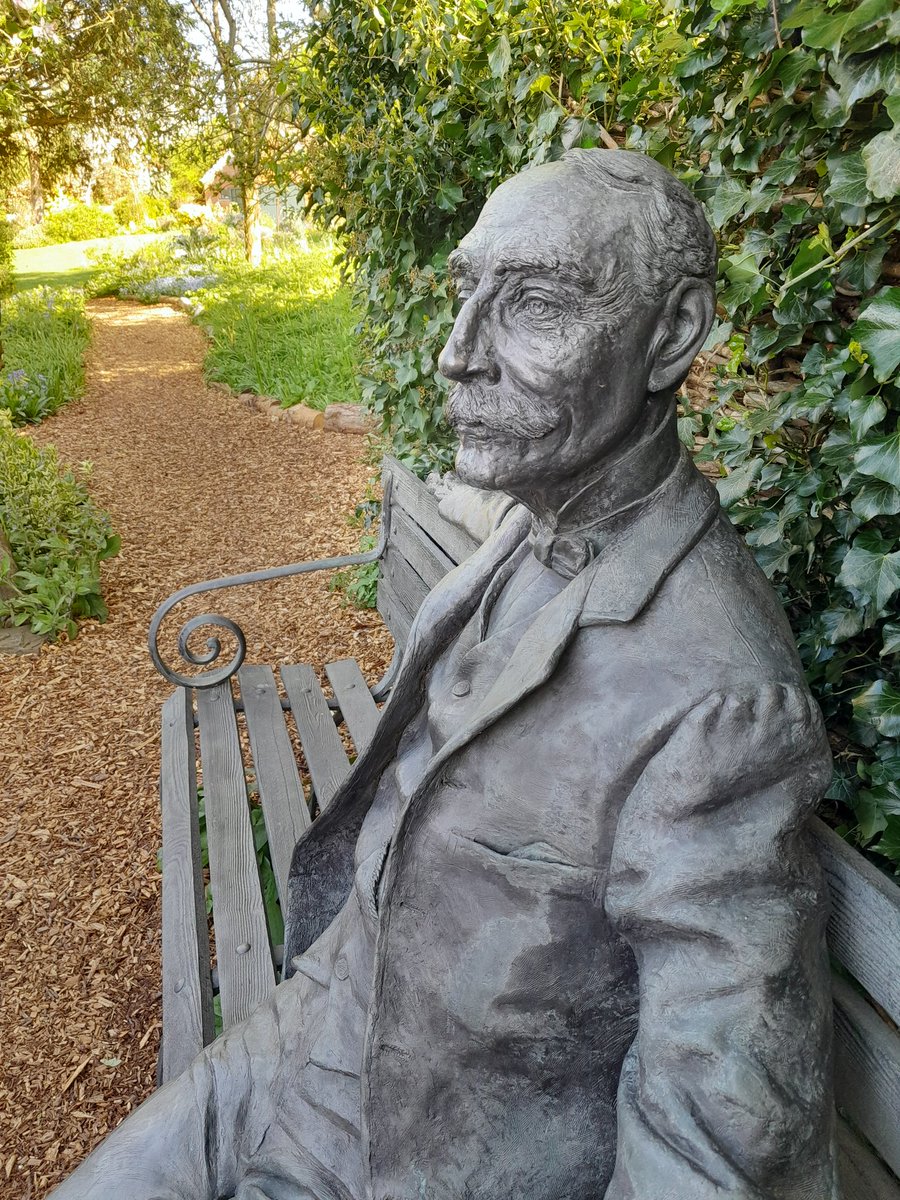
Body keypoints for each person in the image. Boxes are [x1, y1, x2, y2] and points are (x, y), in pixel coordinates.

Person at [51, 149, 838, 1200]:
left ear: (674, 335)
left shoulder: (721, 704)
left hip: (413, 1156)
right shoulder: (533, 522)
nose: (455, 355)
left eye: (535, 307)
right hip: (312, 1030)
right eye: (467, 293)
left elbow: (716, 1145)